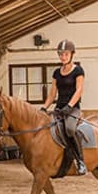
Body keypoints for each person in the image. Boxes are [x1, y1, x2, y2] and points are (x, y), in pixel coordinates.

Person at [40, 39, 87, 175]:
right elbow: (52, 94)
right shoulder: (56, 72)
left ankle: (80, 161)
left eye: (66, 54)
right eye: (61, 54)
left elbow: (79, 90)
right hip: (59, 109)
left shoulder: (78, 70)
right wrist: (44, 108)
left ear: (72, 55)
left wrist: (70, 106)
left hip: (73, 109)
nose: (63, 57)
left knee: (70, 129)